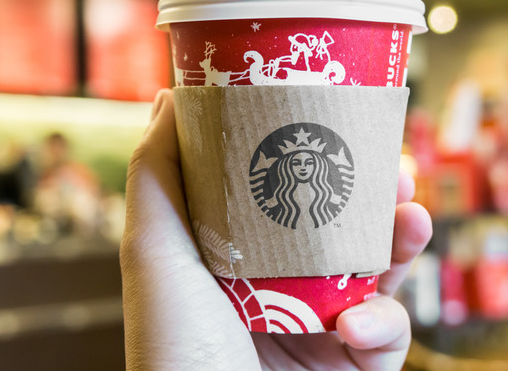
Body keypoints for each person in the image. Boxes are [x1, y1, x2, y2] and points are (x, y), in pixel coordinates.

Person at [121, 89, 433, 370]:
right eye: (295, 161)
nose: (302, 167)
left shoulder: (323, 196)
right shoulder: (279, 195)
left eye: (309, 162)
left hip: (329, 333)